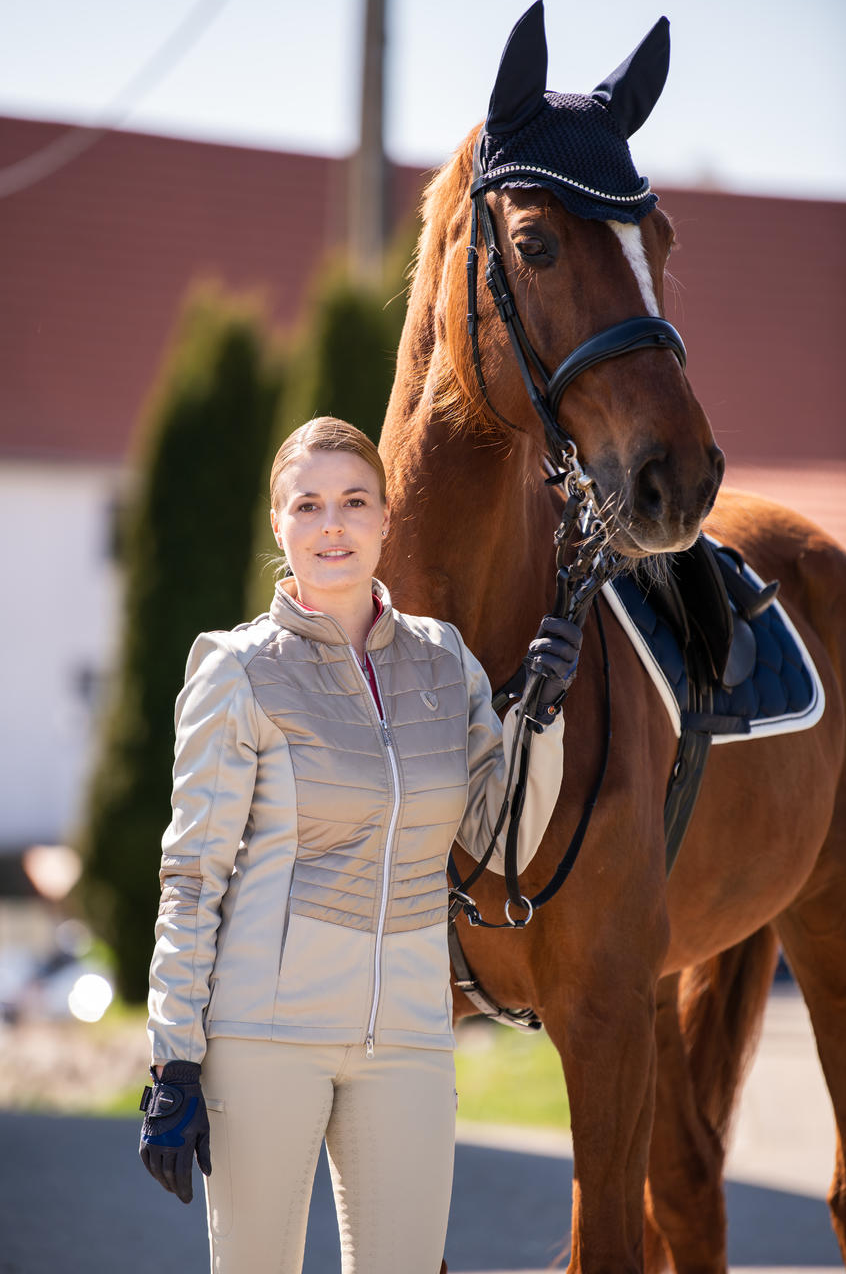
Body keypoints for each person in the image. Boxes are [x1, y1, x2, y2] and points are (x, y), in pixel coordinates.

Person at [139, 416, 581, 1274]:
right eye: (308, 505)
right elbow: (192, 877)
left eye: (352, 502)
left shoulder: (442, 662)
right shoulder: (236, 672)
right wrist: (173, 1059)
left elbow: (499, 837)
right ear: (280, 525)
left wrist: (538, 714)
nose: (331, 525)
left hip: (410, 1041)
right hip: (264, 1039)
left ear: (386, 519)